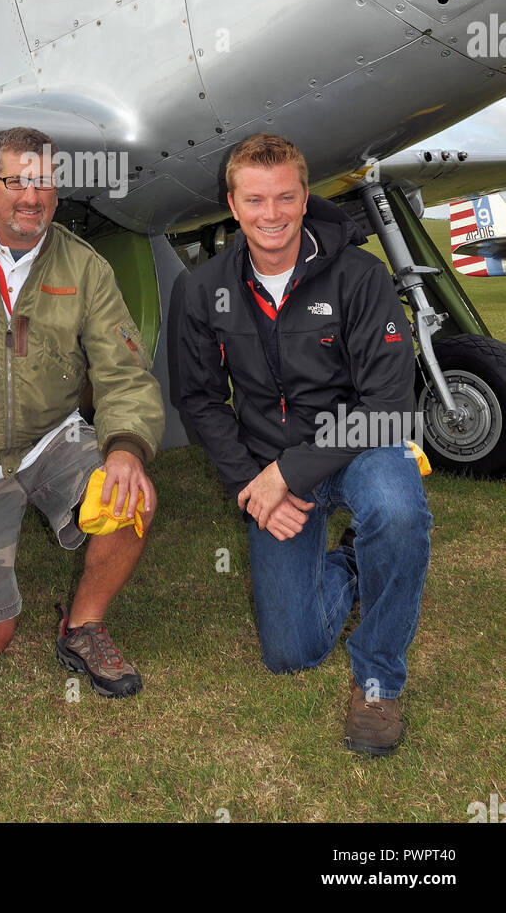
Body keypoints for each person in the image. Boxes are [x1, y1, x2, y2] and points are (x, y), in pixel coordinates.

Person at [176, 132, 432, 755]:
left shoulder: (361, 276)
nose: (272, 215)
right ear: (231, 204)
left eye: (285, 198)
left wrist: (285, 475)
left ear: (304, 196)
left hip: (359, 446)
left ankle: (378, 679)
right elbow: (201, 401)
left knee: (399, 513)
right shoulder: (202, 288)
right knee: (291, 653)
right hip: (267, 464)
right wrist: (252, 481)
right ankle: (350, 562)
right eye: (255, 200)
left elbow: (389, 406)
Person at [0, 127, 165, 698]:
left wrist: (126, 449)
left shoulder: (85, 267)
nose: (31, 198)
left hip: (50, 444)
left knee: (130, 498)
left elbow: (123, 373)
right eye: (18, 182)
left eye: (44, 183)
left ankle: (84, 625)